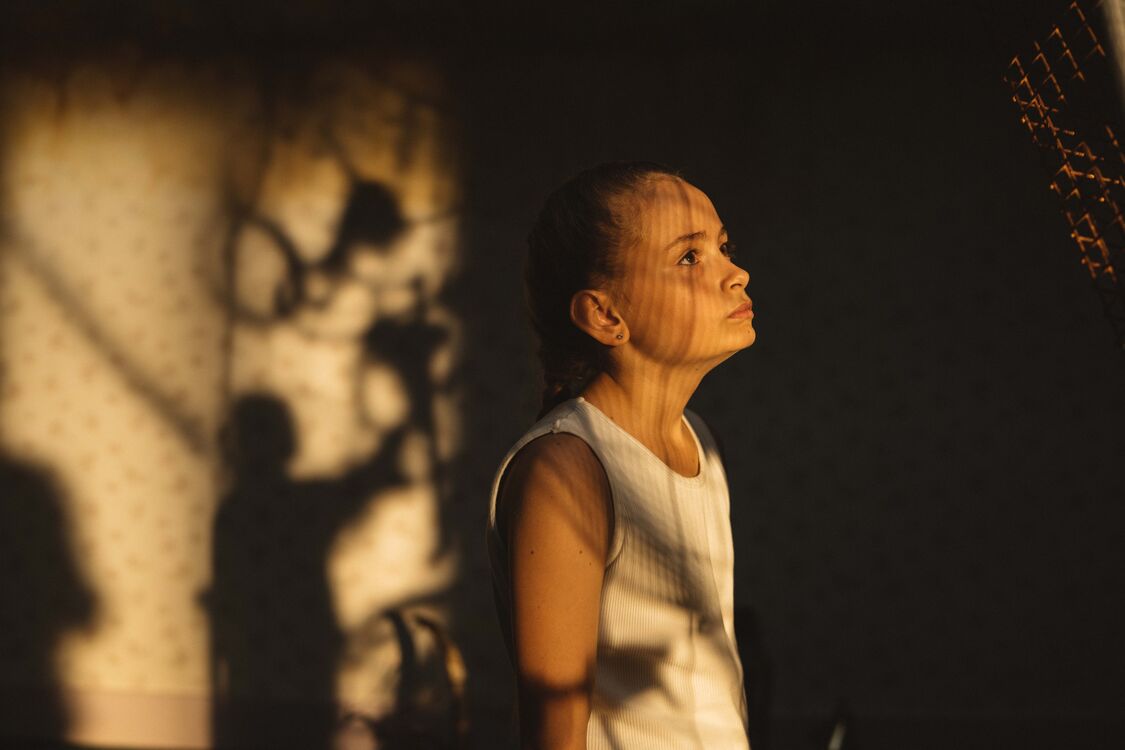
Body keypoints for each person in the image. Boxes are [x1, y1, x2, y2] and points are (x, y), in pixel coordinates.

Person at [486, 161, 756, 749]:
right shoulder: (567, 468)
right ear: (605, 315)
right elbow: (554, 735)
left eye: (724, 248)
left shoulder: (699, 441)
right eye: (690, 257)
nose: (736, 274)